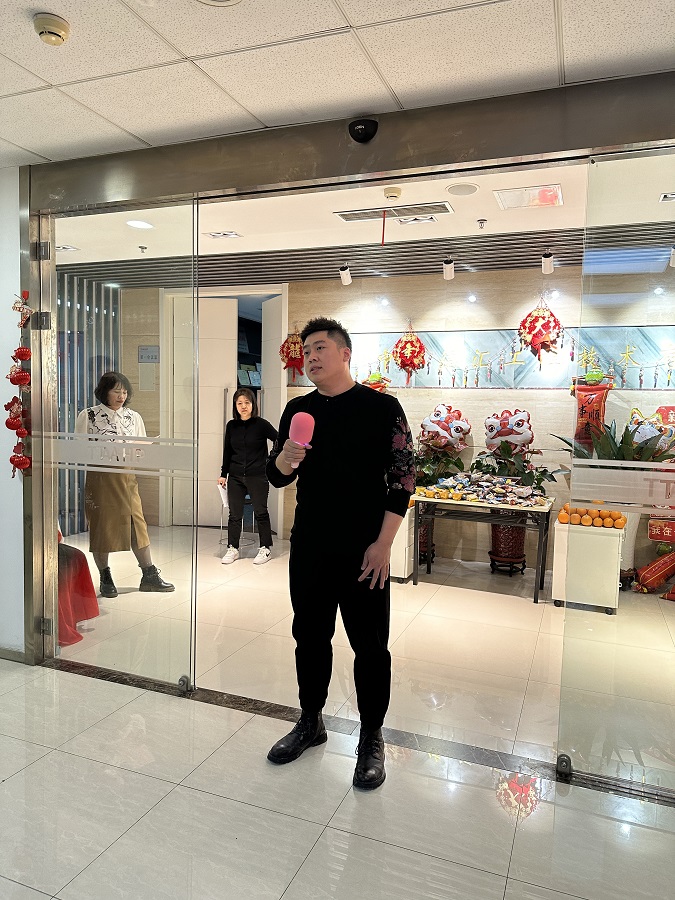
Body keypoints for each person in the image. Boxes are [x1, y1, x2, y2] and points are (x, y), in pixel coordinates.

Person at [265, 317, 415, 790]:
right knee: (309, 636)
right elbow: (278, 477)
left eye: (320, 348)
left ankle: (371, 735)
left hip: (364, 548)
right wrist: (284, 459)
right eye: (306, 350)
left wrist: (383, 544)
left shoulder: (382, 408)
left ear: (345, 353)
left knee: (370, 646)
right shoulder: (298, 409)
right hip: (310, 543)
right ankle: (310, 720)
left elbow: (402, 481)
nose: (311, 357)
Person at [75, 371, 174, 598]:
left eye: (124, 392)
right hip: (101, 477)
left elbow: (141, 446)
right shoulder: (88, 415)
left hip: (128, 477)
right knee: (102, 526)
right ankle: (105, 576)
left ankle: (149, 574)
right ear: (104, 392)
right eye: (116, 391)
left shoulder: (133, 417)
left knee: (137, 523)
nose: (121, 396)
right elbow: (79, 448)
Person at [218, 387, 278, 565]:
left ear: (253, 404)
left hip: (257, 475)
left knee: (261, 512)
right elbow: (227, 451)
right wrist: (223, 474)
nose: (243, 406)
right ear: (235, 406)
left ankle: (265, 548)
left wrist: (270, 460)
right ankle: (233, 548)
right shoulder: (231, 426)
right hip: (235, 475)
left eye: (247, 402)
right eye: (239, 403)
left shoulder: (261, 424)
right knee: (235, 514)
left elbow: (279, 439)